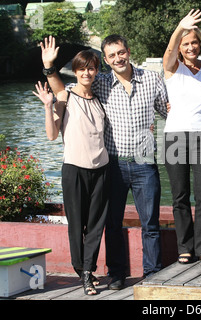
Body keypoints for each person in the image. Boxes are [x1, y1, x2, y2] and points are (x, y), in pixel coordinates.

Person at [42, 35, 168, 289]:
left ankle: (153, 273)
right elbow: (62, 90)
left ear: (128, 51)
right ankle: (117, 273)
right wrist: (49, 68)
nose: (117, 58)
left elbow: (168, 111)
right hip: (112, 164)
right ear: (106, 60)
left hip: (145, 162)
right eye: (111, 56)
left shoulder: (152, 79)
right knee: (111, 224)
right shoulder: (100, 82)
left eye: (120, 52)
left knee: (151, 224)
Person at [33, 41, 110, 295]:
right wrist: (48, 67)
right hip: (74, 169)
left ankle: (87, 270)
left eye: (91, 69)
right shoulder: (66, 96)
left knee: (96, 225)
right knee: (77, 225)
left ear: (97, 71)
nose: (87, 73)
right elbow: (52, 135)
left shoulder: (100, 101)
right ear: (75, 71)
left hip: (101, 169)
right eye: (82, 69)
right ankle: (83, 270)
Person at [163, 9, 201, 265]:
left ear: (200, 43)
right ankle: (185, 247)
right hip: (175, 137)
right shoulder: (173, 69)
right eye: (186, 44)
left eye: (194, 41)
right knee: (180, 196)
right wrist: (179, 28)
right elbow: (169, 52)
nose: (191, 46)